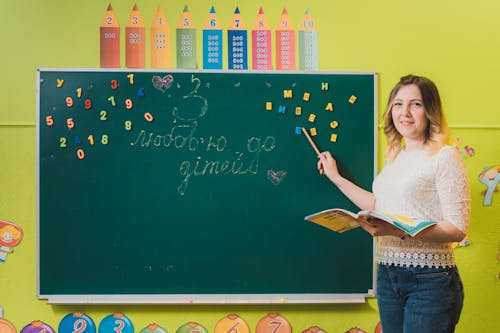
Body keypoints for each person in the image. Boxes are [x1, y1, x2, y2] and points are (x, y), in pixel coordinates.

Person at [317, 74, 470, 333]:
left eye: (416, 104)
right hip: (388, 274)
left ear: (430, 111)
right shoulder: (395, 156)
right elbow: (379, 204)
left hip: (429, 279)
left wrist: (396, 230)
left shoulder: (444, 157)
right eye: (398, 104)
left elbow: (457, 228)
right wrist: (336, 178)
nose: (405, 112)